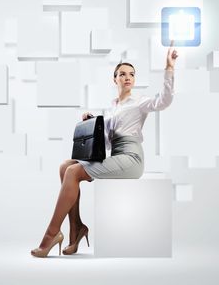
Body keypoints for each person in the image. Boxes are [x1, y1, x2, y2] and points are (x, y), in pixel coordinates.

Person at [30, 42, 179, 257]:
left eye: (131, 74)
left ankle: (51, 234)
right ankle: (76, 230)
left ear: (134, 80)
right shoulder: (112, 107)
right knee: (66, 167)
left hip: (132, 159)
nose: (128, 77)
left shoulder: (140, 103)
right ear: (115, 79)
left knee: (73, 172)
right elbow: (107, 143)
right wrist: (93, 123)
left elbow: (165, 101)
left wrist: (169, 68)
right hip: (117, 155)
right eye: (122, 74)